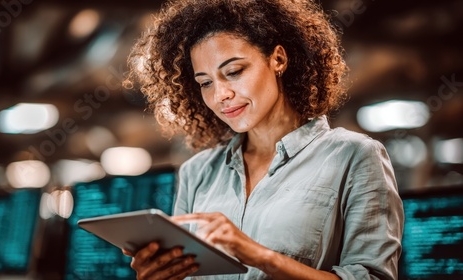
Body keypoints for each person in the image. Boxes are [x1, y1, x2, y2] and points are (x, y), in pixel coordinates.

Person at [122, 0, 404, 279]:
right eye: (205, 83)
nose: (220, 95)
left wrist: (260, 256)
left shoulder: (354, 156)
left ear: (278, 59)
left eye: (234, 72)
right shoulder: (197, 172)